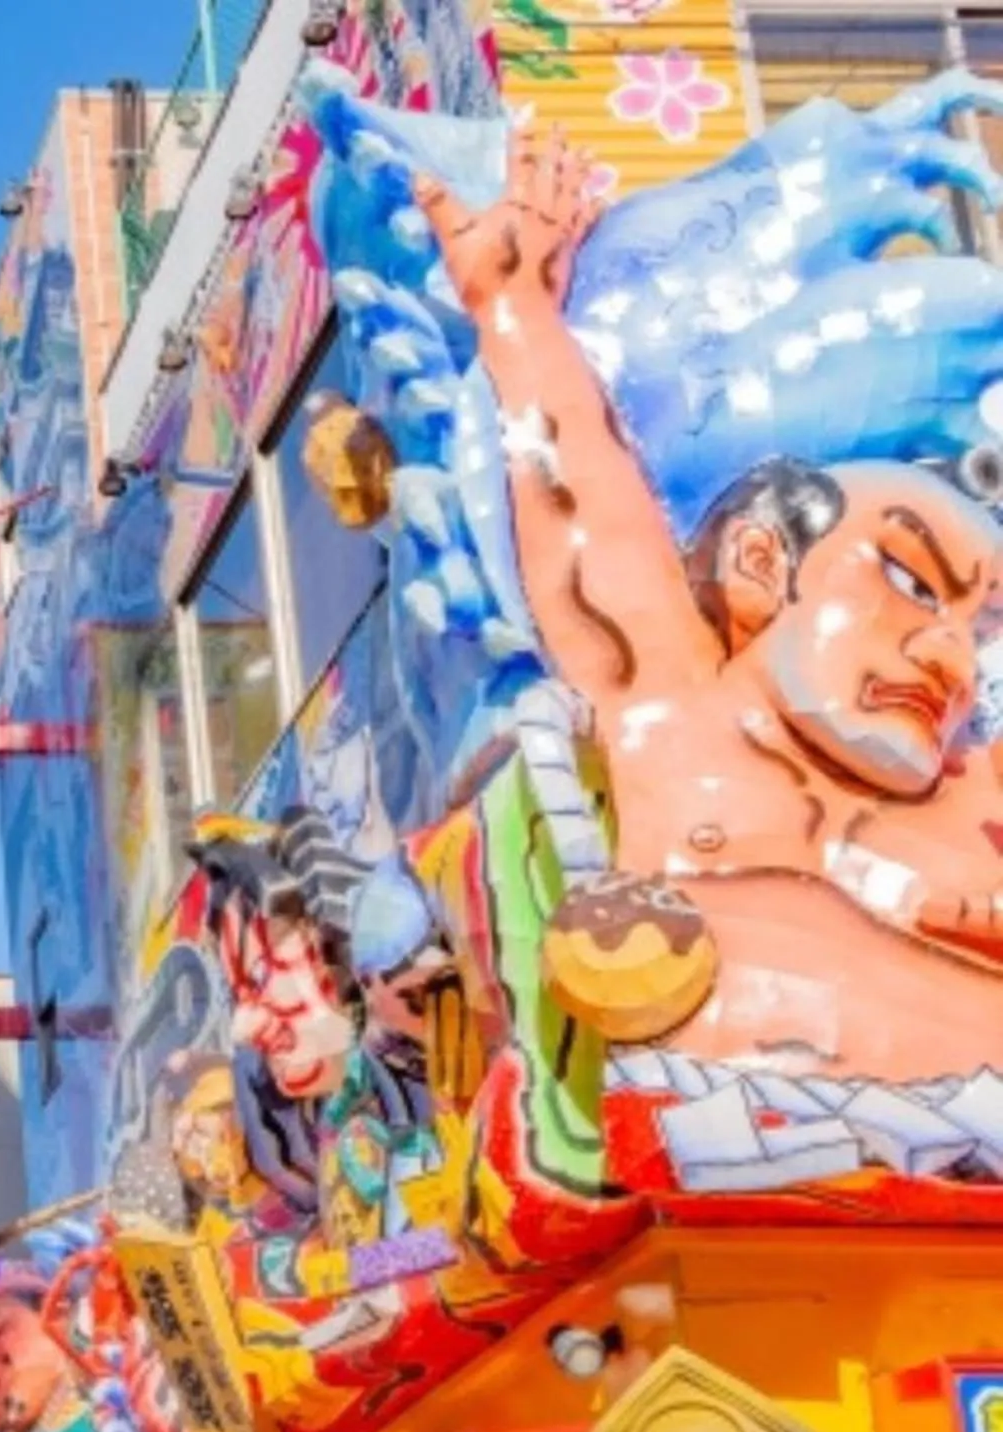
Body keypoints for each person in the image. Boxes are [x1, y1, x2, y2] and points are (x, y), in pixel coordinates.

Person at [419, 127, 1003, 1078]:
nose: (947, 655)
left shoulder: (974, 796)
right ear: (762, 563)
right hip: (717, 1173)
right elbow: (588, 512)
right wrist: (512, 307)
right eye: (907, 579)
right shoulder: (673, 713)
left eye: (978, 628)